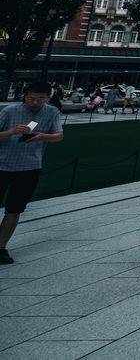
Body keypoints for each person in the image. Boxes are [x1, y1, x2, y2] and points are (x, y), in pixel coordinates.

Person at [0, 81, 64, 265]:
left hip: (30, 167)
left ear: (47, 98)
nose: (34, 102)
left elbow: (59, 135)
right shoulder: (10, 111)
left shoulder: (51, 112)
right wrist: (12, 131)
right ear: (24, 96)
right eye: (31, 98)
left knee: (15, 209)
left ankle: (1, 246)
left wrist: (42, 136)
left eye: (40, 99)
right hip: (2, 165)